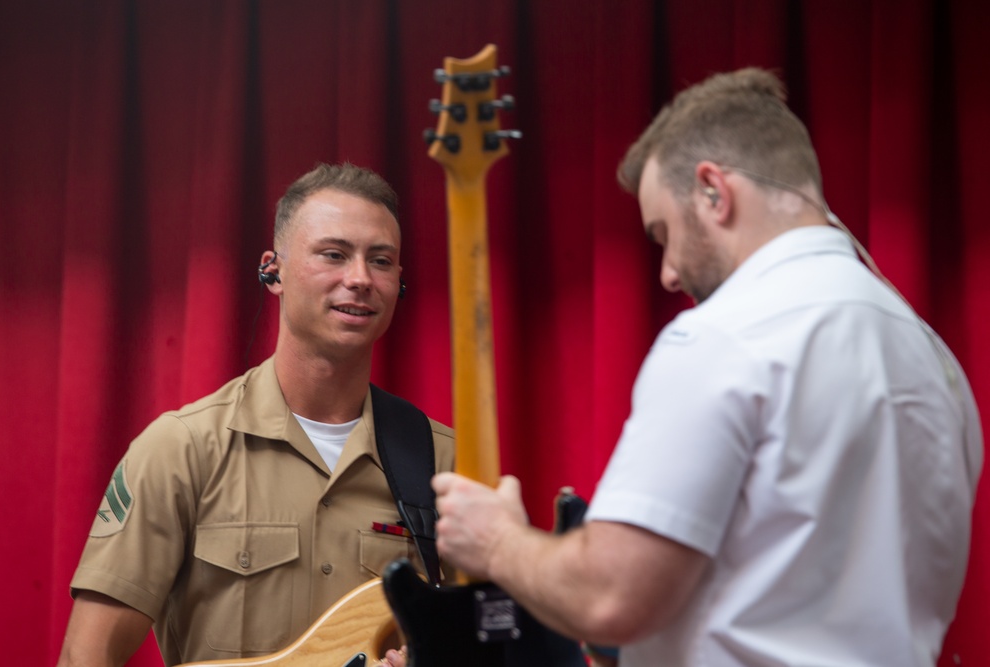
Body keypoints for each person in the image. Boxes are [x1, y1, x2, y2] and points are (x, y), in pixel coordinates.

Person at [432, 67, 983, 667]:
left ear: (713, 192)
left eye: (664, 233)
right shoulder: (934, 357)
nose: (668, 273)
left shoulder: (725, 334)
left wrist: (498, 541)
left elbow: (611, 598)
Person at [56, 163, 452, 667]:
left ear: (399, 282)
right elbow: (86, 655)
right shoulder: (182, 449)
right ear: (274, 271)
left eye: (381, 261)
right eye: (333, 254)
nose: (359, 279)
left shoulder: (442, 461)